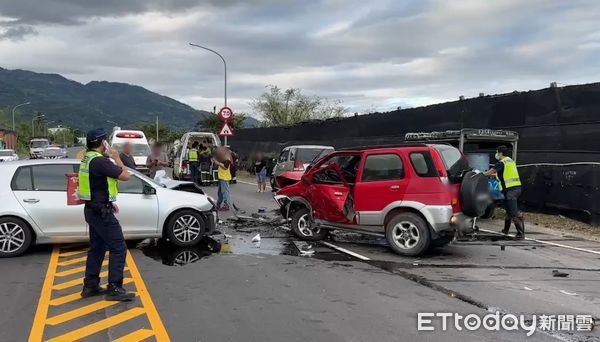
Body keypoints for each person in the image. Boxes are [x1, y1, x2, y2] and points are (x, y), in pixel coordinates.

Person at [78, 128, 135, 301]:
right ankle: (114, 288)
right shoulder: (101, 162)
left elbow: (97, 185)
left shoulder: (87, 159)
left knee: (97, 248)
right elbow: (125, 175)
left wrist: (108, 201)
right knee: (118, 247)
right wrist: (116, 157)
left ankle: (90, 285)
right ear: (103, 143)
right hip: (101, 213)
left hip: (93, 209)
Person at [484, 145, 524, 239]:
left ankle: (520, 234)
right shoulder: (510, 161)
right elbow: (503, 173)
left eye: (497, 152)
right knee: (509, 211)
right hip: (516, 188)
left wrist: (481, 174)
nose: (496, 154)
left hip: (511, 190)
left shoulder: (501, 163)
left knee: (513, 212)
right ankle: (505, 230)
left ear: (501, 153)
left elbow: (491, 171)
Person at [213, 146, 232, 211]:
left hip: (225, 177)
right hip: (221, 177)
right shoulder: (224, 158)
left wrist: (218, 163)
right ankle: (218, 205)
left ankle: (226, 205)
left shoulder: (228, 158)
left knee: (225, 192)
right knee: (220, 192)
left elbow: (226, 167)